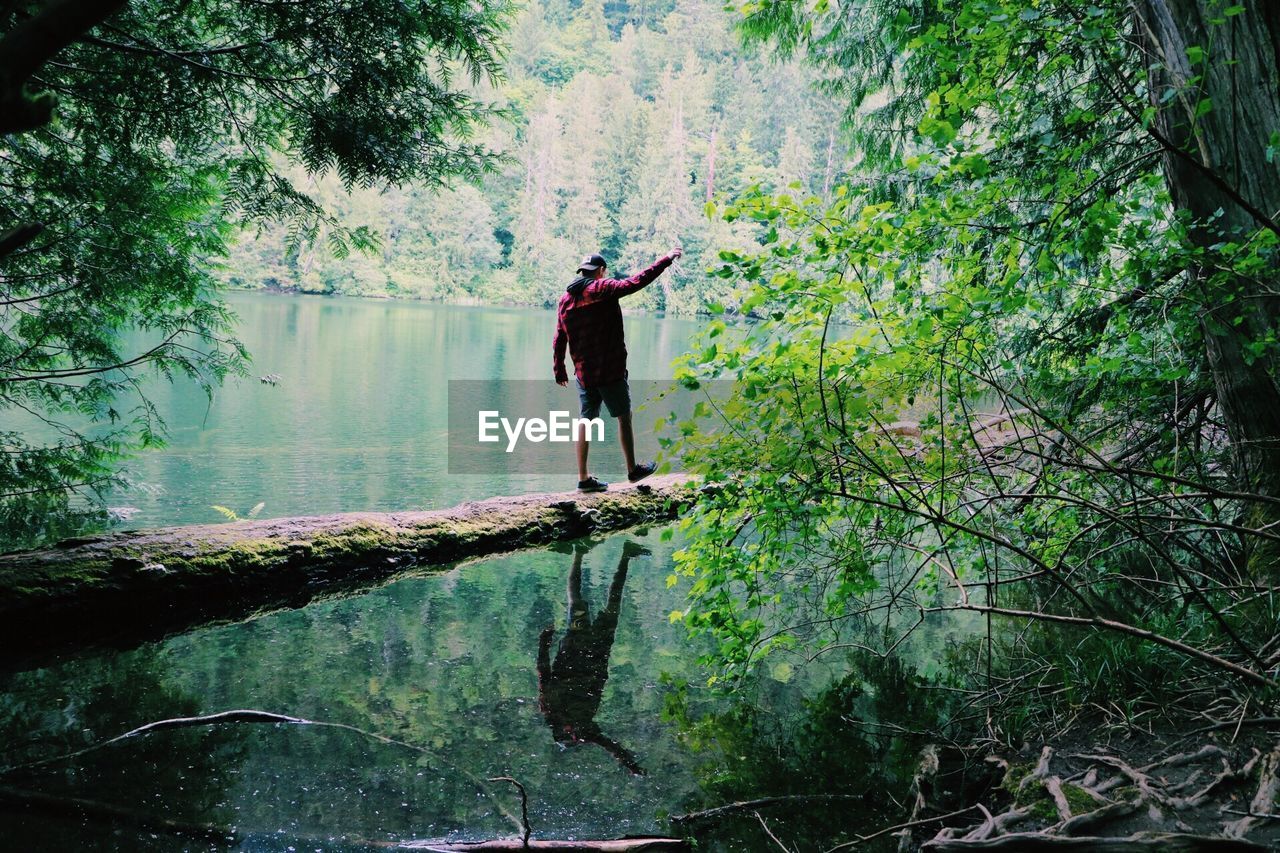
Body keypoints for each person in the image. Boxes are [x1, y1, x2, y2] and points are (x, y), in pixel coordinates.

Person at [553, 247, 682, 492]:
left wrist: (559, 368)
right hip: (610, 370)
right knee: (624, 417)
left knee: (586, 419)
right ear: (600, 271)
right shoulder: (603, 288)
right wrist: (665, 259)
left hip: (584, 373)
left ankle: (583, 477)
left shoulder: (565, 300)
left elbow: (560, 337)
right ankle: (632, 470)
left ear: (581, 272)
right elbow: (637, 281)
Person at [536, 540, 650, 775]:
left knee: (576, 602)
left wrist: (544, 643)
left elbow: (543, 672)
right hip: (598, 653)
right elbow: (610, 746)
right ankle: (626, 554)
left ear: (561, 729)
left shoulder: (550, 706)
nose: (574, 734)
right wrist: (629, 764)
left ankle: (578, 554)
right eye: (573, 737)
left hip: (576, 645)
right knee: (613, 606)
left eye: (569, 734)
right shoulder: (586, 730)